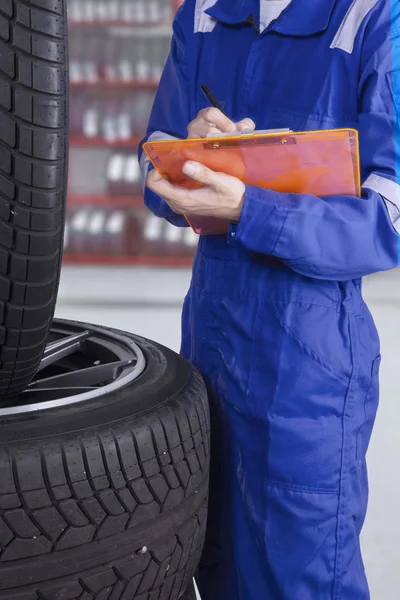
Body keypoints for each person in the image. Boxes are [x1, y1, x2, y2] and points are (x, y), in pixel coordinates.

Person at [139, 1, 400, 598]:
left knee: (298, 579)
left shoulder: (373, 17)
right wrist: (188, 153)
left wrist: (247, 208)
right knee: (212, 565)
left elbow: (388, 220)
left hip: (306, 367)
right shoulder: (205, 13)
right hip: (206, 350)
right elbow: (154, 158)